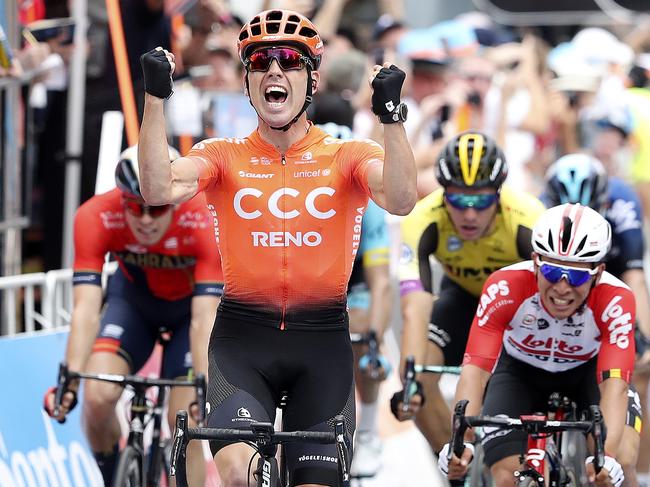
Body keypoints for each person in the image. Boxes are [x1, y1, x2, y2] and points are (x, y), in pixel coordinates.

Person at [137, 8, 417, 487]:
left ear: (311, 79)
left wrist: (391, 119)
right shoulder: (221, 155)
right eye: (261, 62)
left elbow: (403, 199)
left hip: (322, 344)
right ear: (247, 83)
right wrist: (154, 100)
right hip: (242, 343)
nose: (274, 71)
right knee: (242, 476)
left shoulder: (347, 155)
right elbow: (158, 189)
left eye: (288, 61)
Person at [43, 145, 223, 486]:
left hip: (190, 316)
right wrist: (71, 378)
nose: (143, 220)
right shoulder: (95, 215)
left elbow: (205, 319)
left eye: (155, 210)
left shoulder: (204, 217)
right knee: (97, 398)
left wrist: (204, 385)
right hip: (134, 307)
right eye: (134, 208)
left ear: (173, 199)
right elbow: (85, 308)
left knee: (186, 421)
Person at [440, 203, 639, 487]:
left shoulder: (616, 299)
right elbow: (475, 371)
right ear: (535, 261)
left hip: (588, 374)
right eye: (552, 272)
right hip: (519, 373)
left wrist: (604, 456)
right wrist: (461, 442)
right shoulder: (505, 286)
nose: (562, 287)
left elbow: (614, 385)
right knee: (508, 475)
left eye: (578, 275)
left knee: (622, 461)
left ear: (598, 271)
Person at [393, 131, 545, 453]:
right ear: (443, 194)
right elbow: (415, 306)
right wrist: (410, 380)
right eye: (459, 201)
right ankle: (455, 465)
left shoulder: (528, 218)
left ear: (499, 194)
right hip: (461, 300)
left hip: (519, 307)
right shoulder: (423, 218)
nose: (470, 214)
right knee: (419, 380)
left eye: (482, 200)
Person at [542, 153, 648, 485]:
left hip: (608, 283)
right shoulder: (538, 210)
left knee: (641, 366)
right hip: (560, 289)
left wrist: (641, 333)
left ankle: (641, 471)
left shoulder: (623, 203)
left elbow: (634, 276)